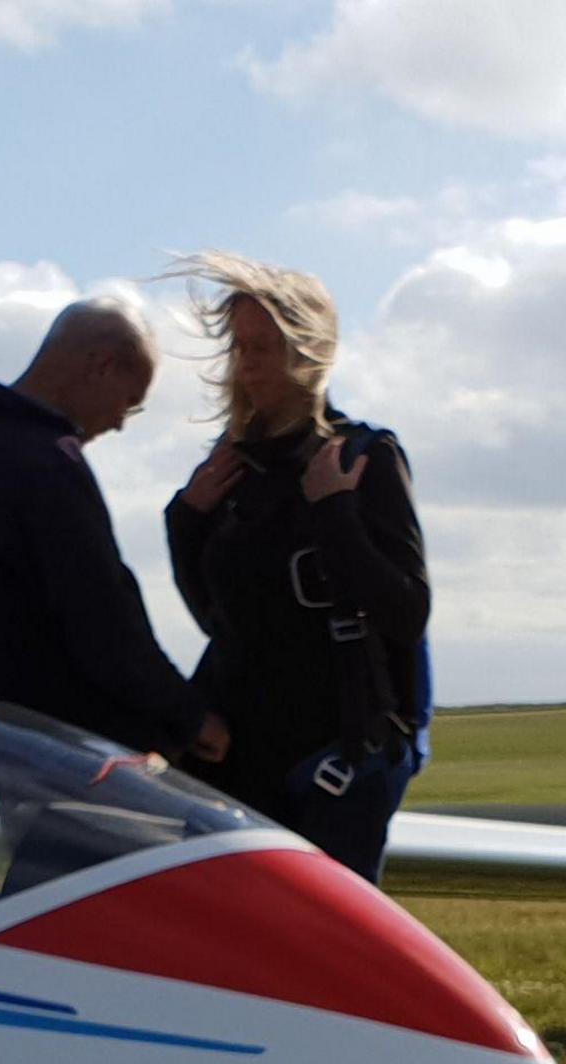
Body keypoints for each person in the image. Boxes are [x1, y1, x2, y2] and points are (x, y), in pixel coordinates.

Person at [160, 253, 431, 879]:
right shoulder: (231, 468)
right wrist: (187, 520)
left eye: (264, 346)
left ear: (309, 350)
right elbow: (216, 616)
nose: (246, 363)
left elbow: (407, 613)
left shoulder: (364, 458)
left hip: (328, 764)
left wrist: (335, 513)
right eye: (240, 345)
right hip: (235, 756)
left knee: (321, 955)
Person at [0, 300, 230, 770]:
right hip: (62, 760)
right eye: (129, 401)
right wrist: (188, 718)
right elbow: (102, 618)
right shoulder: (43, 463)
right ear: (102, 366)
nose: (120, 423)